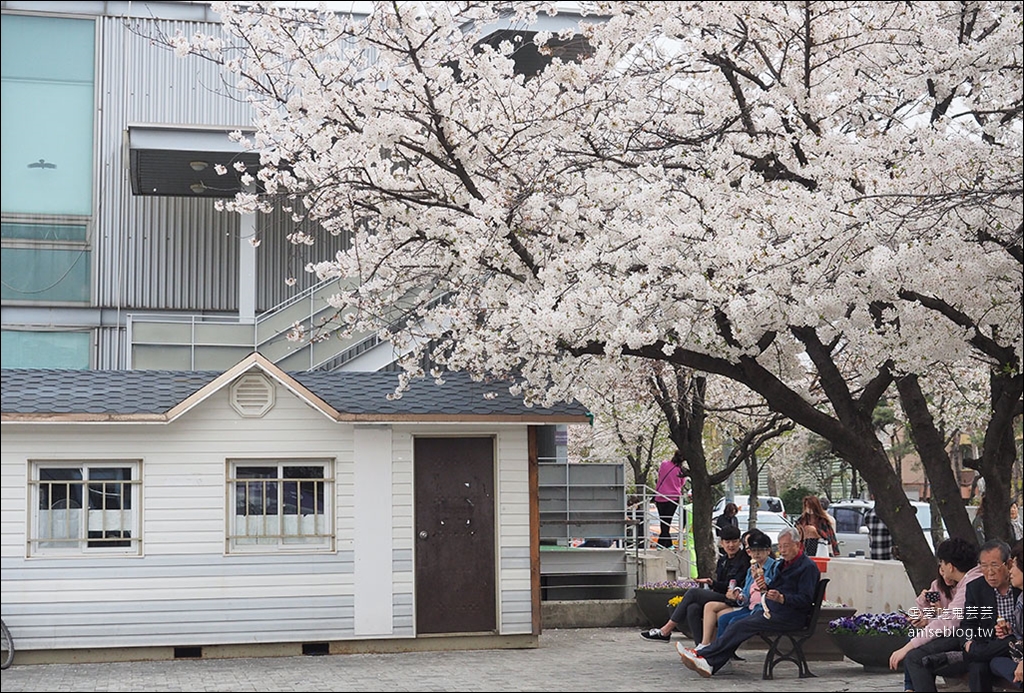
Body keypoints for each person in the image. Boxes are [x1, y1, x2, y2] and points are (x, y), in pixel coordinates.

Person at [675, 525, 821, 678]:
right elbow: (774, 588)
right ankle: (710, 663)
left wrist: (782, 598)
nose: (782, 551)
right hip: (772, 610)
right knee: (737, 624)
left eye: (786, 546)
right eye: (780, 547)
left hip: (790, 616)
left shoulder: (807, 567)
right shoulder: (784, 564)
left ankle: (702, 654)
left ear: (797, 545)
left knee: (740, 625)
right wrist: (765, 587)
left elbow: (805, 599)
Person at [894, 537, 984, 692]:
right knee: (917, 653)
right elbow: (941, 618)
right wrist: (924, 608)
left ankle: (909, 688)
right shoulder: (943, 584)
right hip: (959, 637)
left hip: (971, 642)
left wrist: (906, 648)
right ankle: (910, 688)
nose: (941, 568)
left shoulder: (971, 582)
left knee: (916, 657)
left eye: (942, 563)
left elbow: (949, 621)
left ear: (950, 566)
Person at [640, 525, 747, 643]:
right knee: (692, 608)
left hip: (735, 598)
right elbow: (722, 584)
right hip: (721, 595)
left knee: (693, 593)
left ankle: (666, 630)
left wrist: (713, 584)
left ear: (739, 542)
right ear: (722, 543)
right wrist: (711, 583)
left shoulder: (744, 560)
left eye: (734, 541)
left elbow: (735, 584)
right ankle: (700, 648)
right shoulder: (723, 560)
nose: (731, 545)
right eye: (727, 542)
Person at [961, 539, 1021, 692]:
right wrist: (968, 642)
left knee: (985, 653)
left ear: (1008, 564)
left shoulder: (1019, 586)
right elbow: (968, 623)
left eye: (994, 565)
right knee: (978, 667)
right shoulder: (975, 588)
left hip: (1016, 646)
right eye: (983, 566)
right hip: (991, 645)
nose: (989, 572)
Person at [709, 529, 778, 639]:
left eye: (760, 550)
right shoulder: (752, 568)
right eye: (753, 550)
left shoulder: (775, 566)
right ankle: (718, 650)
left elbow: (775, 586)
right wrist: (740, 596)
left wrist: (761, 579)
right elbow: (746, 592)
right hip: (749, 607)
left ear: (768, 551)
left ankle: (718, 651)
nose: (757, 554)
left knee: (734, 621)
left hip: (763, 609)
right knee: (723, 619)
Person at [988, 540, 1022, 688]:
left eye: (1014, 566)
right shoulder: (1020, 599)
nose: (1010, 571)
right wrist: (1009, 631)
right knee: (996, 662)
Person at [654, 450, 688, 548]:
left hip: (660, 496)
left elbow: (660, 475)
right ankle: (664, 544)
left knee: (663, 521)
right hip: (673, 498)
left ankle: (665, 544)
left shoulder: (664, 464)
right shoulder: (681, 470)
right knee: (667, 521)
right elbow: (681, 484)